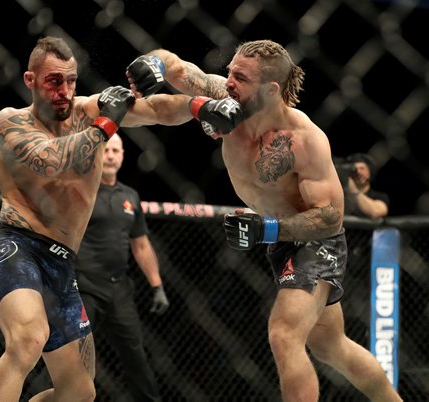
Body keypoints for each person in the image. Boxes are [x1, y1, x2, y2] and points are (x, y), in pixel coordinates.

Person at [126, 40, 402, 401]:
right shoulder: (228, 100)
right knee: (330, 345)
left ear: (271, 89)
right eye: (229, 72)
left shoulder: (304, 140)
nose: (227, 82)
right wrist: (151, 64)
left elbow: (331, 219)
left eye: (240, 77)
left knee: (284, 334)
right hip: (278, 239)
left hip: (315, 243)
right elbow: (176, 65)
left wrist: (268, 228)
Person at [0, 36, 241, 402]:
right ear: (30, 80)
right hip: (18, 247)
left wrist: (201, 106)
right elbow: (54, 160)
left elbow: (157, 108)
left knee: (79, 393)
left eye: (71, 80)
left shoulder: (88, 109)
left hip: (63, 263)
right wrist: (105, 124)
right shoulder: (10, 122)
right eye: (54, 81)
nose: (65, 91)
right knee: (27, 340)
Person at [76, 133, 168, 402]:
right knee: (72, 356)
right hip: (83, 286)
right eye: (106, 150)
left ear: (123, 155)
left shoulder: (130, 196)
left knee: (136, 355)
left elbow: (141, 245)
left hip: (119, 288)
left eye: (116, 150)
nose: (111, 155)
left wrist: (157, 285)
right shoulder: (79, 190)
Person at [341, 153, 389, 219]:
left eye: (362, 168)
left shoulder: (380, 196)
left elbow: (376, 212)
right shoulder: (341, 196)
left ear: (370, 171)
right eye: (354, 169)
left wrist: (352, 188)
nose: (358, 172)